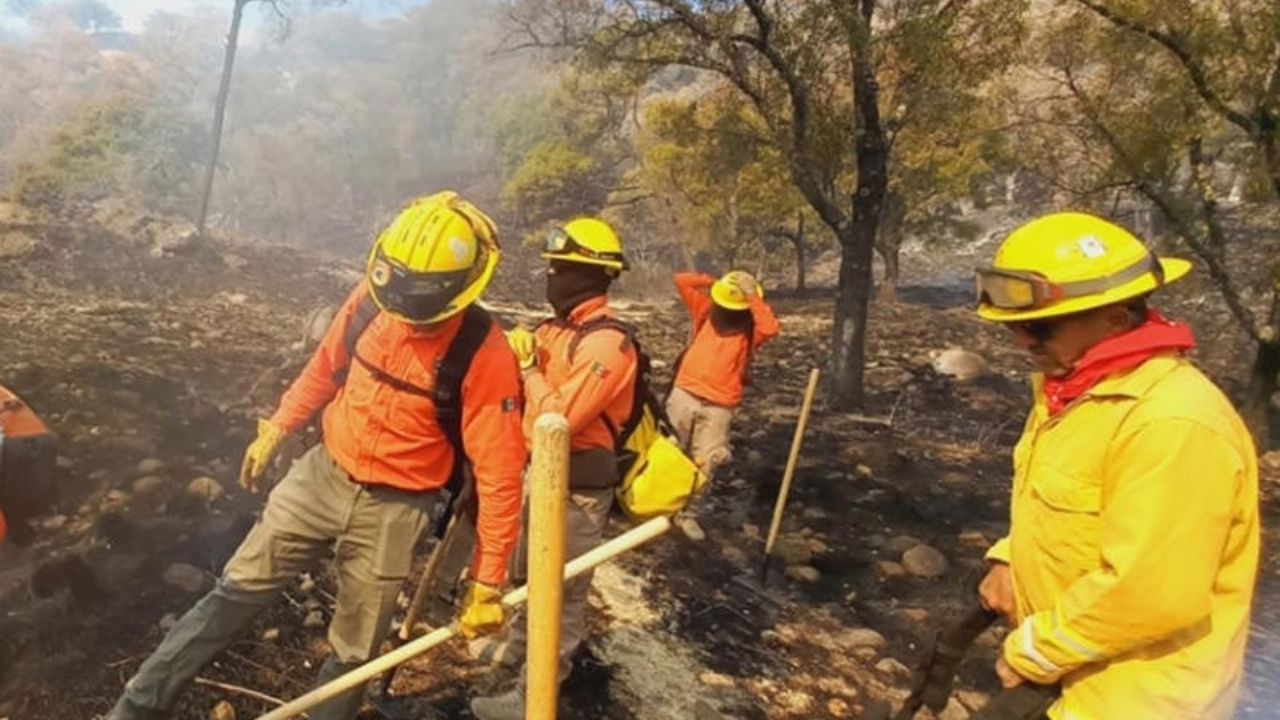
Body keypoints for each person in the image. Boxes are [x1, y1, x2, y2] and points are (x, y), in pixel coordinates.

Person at [109, 192, 526, 720]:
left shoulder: (485, 355)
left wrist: (489, 579)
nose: (407, 319)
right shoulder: (373, 301)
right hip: (322, 475)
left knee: (354, 652)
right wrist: (279, 426)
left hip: (395, 509)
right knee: (233, 592)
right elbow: (324, 368)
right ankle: (136, 708)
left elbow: (499, 473)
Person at [974, 212, 1259, 720]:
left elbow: (1153, 593)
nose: (1022, 342)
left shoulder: (1172, 423)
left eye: (1039, 327)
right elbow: (1063, 505)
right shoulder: (1073, 393)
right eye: (1015, 328)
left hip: (1139, 703)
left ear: (1114, 318)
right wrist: (1010, 556)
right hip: (1073, 685)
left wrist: (1035, 651)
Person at [470, 218, 637, 720]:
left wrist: (528, 370)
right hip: (534, 474)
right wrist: (518, 348)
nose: (550, 278)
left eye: (560, 270)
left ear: (590, 277)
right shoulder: (553, 329)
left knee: (560, 594)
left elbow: (557, 417)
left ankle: (532, 698)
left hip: (578, 487)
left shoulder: (609, 344)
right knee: (529, 575)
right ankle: (520, 649)